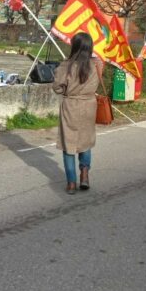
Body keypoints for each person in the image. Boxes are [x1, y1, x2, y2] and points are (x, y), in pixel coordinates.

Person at [52, 32, 103, 195]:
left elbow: (57, 87)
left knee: (69, 144)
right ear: (90, 47)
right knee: (85, 141)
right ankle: (85, 174)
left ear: (74, 46)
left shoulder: (65, 66)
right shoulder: (97, 64)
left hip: (71, 106)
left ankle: (71, 183)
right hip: (89, 106)